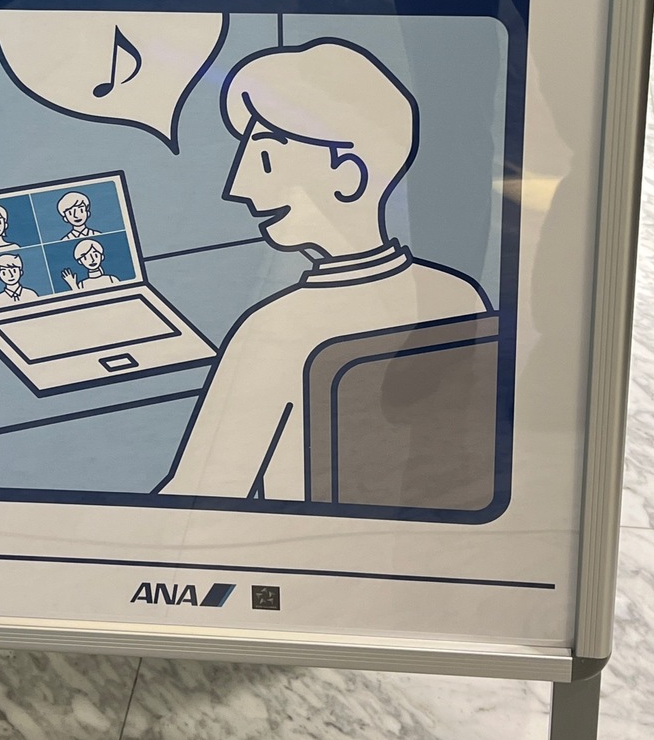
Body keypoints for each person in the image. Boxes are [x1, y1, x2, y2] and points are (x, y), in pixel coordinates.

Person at [156, 38, 487, 502]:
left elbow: (193, 506)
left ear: (348, 177)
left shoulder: (275, 331)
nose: (238, 186)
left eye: (265, 159)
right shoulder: (460, 295)